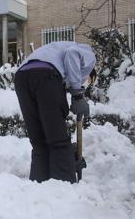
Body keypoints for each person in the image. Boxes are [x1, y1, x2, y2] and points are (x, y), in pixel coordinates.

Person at [14, 41, 96, 183]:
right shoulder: (88, 55)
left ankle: (38, 185)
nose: (85, 83)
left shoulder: (54, 50)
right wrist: (78, 93)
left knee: (39, 142)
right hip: (45, 75)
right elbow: (71, 53)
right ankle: (63, 188)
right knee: (58, 140)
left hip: (21, 77)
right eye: (88, 81)